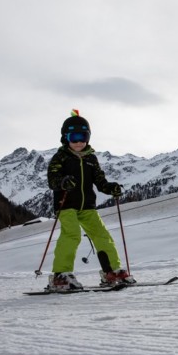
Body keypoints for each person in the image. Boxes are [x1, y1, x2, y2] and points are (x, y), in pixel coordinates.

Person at [46, 109, 135, 290]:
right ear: (65, 138)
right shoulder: (60, 158)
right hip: (66, 205)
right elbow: (52, 180)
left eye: (83, 136)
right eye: (74, 137)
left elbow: (100, 181)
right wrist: (63, 182)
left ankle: (111, 271)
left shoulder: (91, 159)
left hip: (88, 206)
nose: (79, 141)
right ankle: (61, 275)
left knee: (102, 236)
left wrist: (111, 188)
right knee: (72, 235)